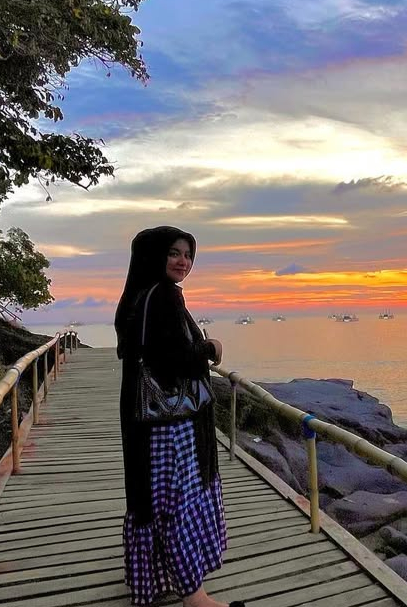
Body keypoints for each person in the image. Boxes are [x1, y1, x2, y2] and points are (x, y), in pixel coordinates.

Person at [114, 227, 243, 607]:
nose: (183, 261)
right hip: (171, 425)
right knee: (178, 502)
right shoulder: (166, 296)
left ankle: (156, 580)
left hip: (145, 421)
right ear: (156, 256)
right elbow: (171, 360)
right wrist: (209, 346)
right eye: (174, 253)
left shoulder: (137, 295)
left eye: (188, 254)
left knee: (155, 500)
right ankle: (195, 596)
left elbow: (141, 351)